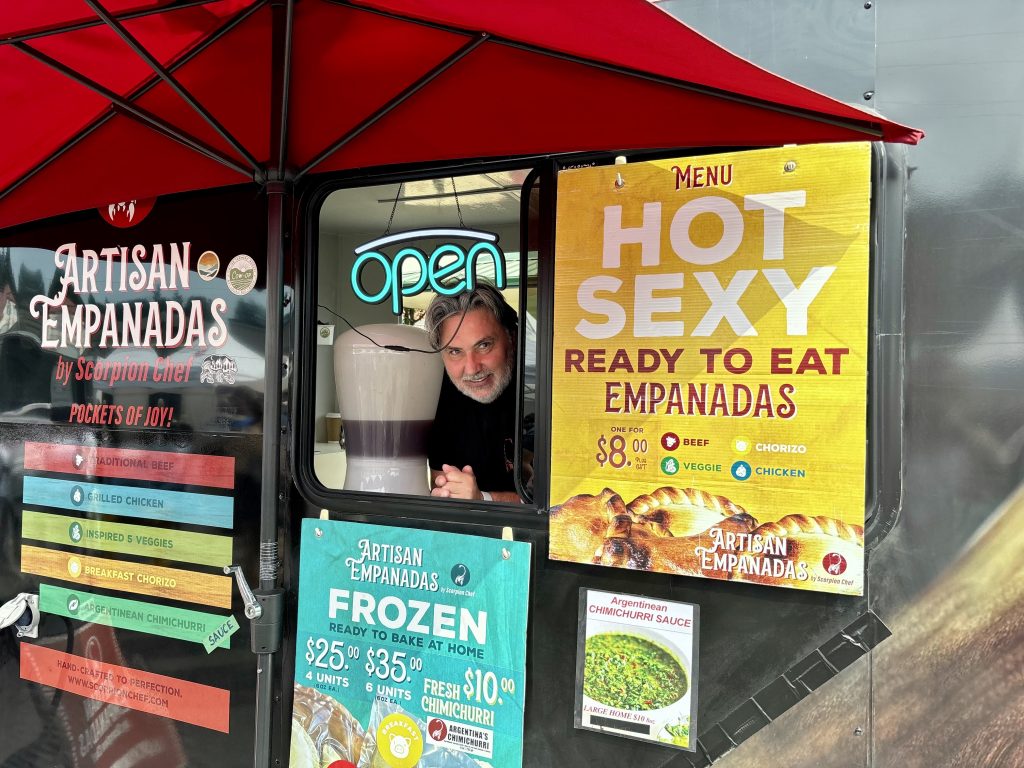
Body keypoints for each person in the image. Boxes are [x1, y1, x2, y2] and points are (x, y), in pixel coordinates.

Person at [425, 284, 522, 502]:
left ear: (512, 338)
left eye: (484, 345)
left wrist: (484, 499)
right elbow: (448, 492)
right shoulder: (438, 401)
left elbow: (559, 503)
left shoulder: (547, 388)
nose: (472, 368)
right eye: (455, 351)